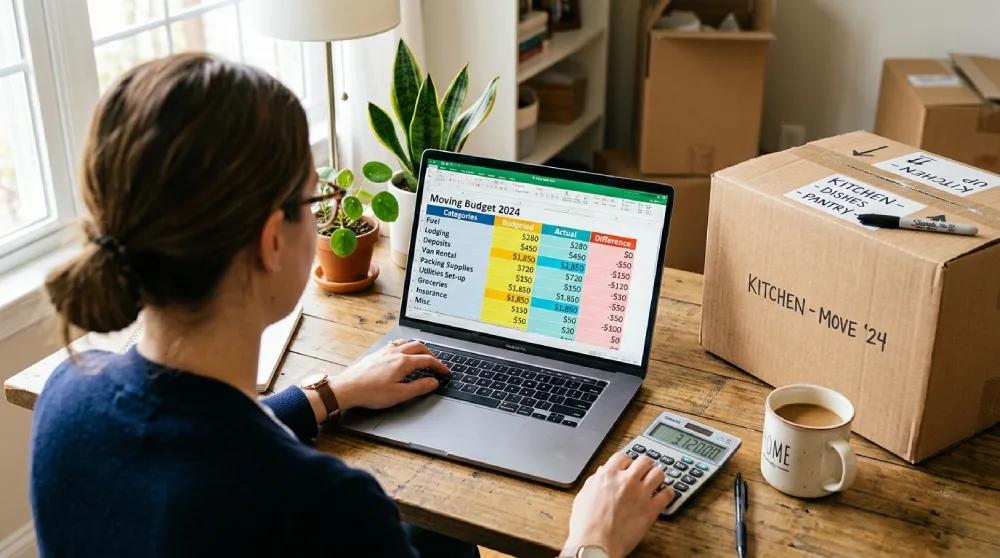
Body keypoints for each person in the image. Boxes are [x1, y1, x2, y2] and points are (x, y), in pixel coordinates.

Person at [31, 53, 674, 558]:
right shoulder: (323, 509)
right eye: (315, 203)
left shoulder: (65, 402)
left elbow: (201, 448)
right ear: (269, 240)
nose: (325, 221)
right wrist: (593, 542)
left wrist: (328, 394)